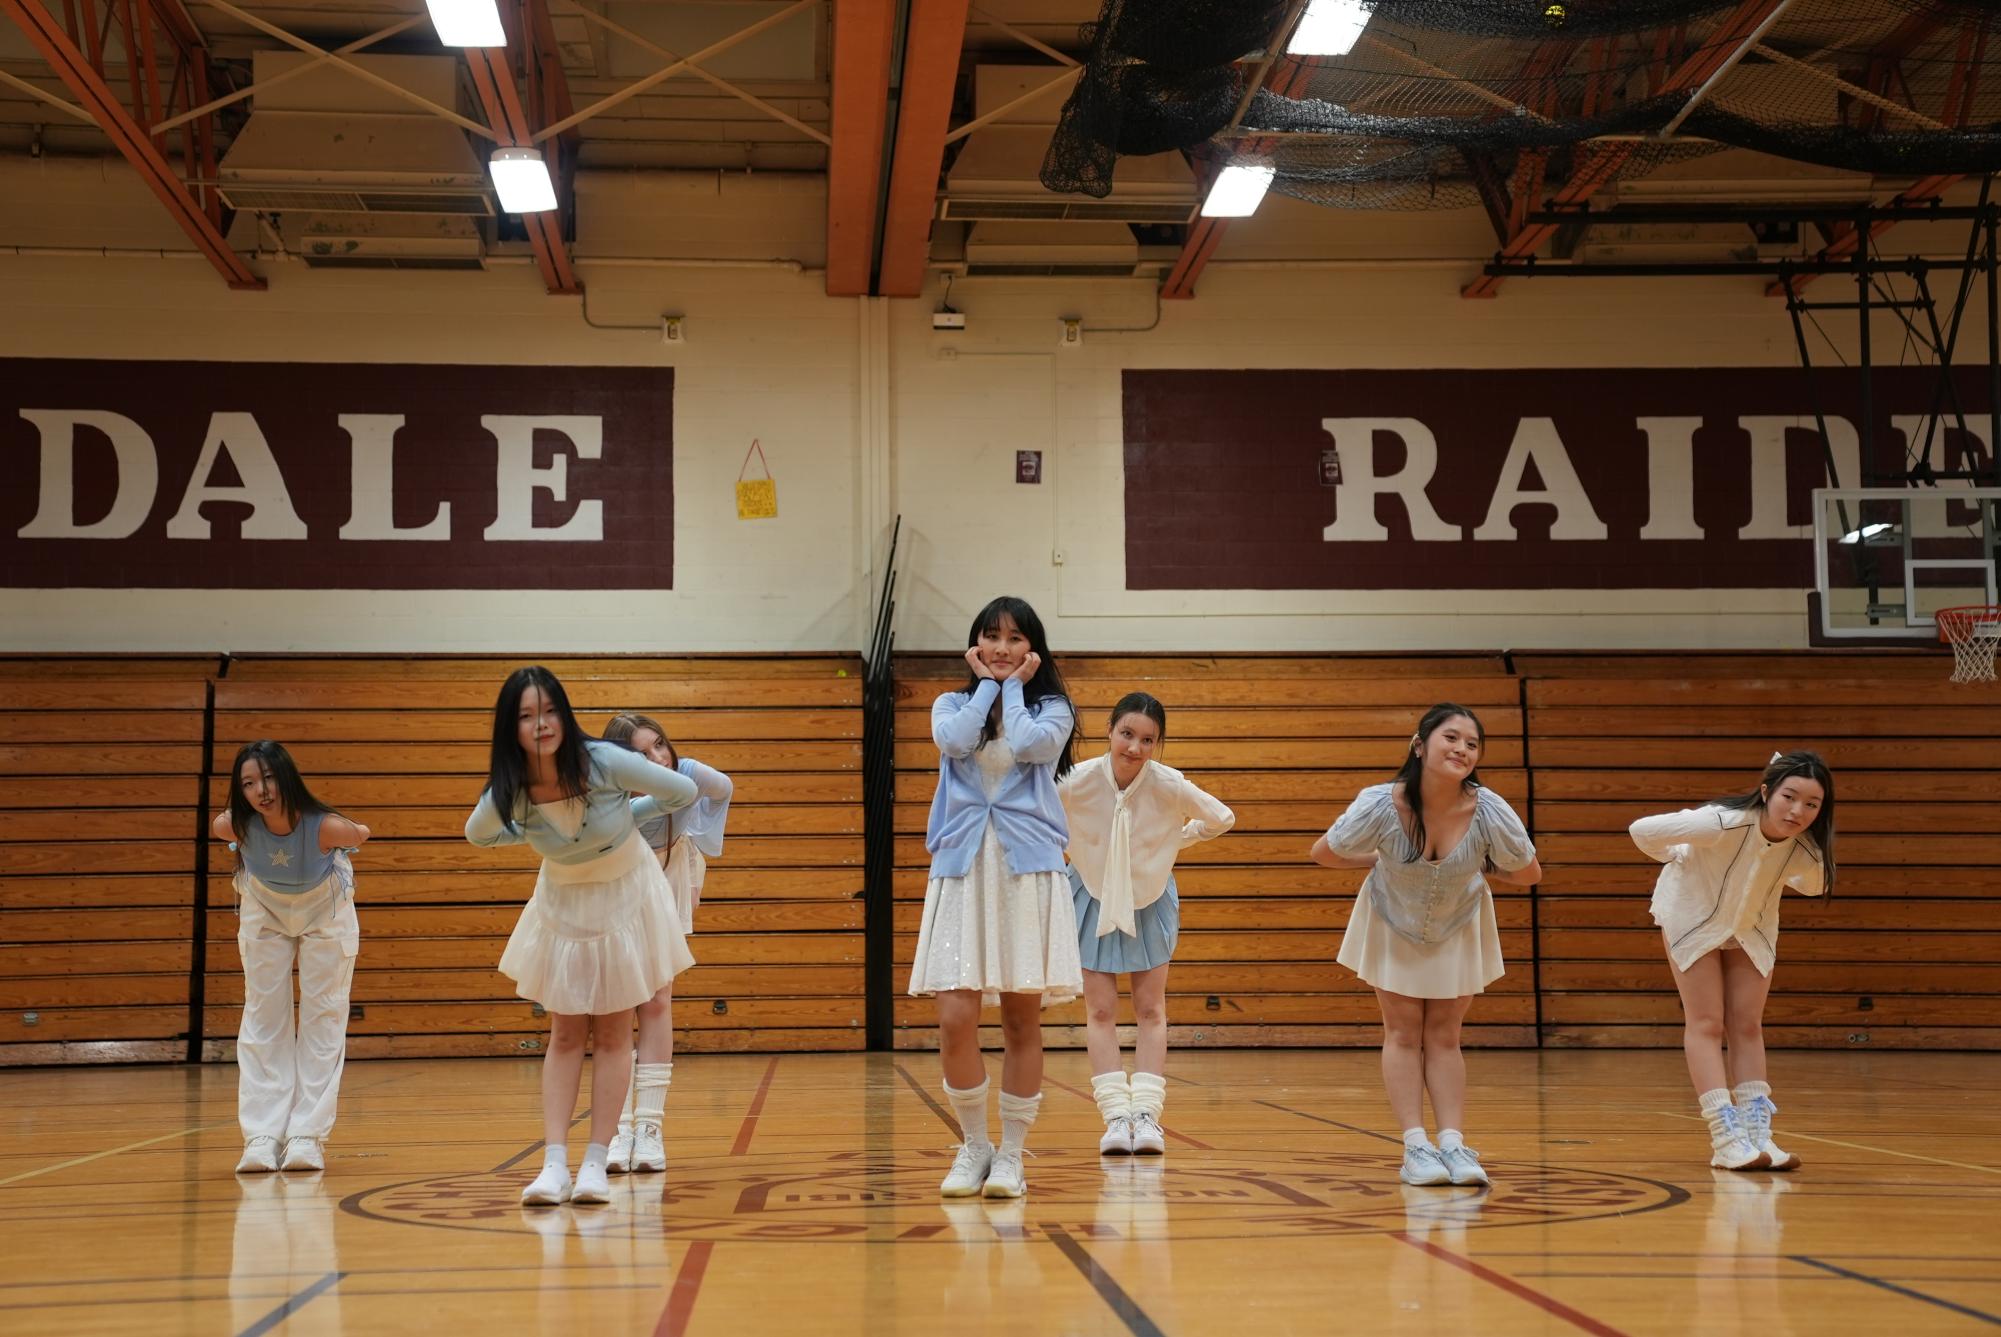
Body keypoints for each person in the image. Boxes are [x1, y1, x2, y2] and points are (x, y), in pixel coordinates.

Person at [465, 667, 698, 1205]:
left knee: (616, 1030)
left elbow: (682, 789)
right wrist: (536, 835)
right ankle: (553, 1165)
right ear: (511, 727)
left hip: (624, 892)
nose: (540, 724)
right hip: (564, 898)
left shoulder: (604, 762)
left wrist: (626, 814)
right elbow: (478, 833)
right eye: (525, 716)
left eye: (548, 711)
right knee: (566, 1032)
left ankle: (596, 1160)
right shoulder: (514, 783)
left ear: (564, 715)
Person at [1312, 704, 1540, 1188]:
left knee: (1444, 1035)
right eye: (1451, 738)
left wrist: (1477, 866)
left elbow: (1529, 873)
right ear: (1420, 745)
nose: (1462, 749)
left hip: (1460, 922)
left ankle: (1454, 1144)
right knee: (1401, 1032)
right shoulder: (1380, 803)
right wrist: (1382, 859)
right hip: (1391, 919)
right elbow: (1325, 853)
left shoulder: (1489, 809)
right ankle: (1416, 1146)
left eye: (1472, 744)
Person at [908, 596, 1080, 1199]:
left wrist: (1012, 691)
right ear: (975, 645)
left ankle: (1011, 1154)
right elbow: (955, 741)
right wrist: (985, 687)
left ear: (1032, 648)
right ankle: (974, 1146)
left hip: (1025, 872)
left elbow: (1034, 747)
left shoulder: (1052, 708)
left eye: (1013, 639)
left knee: (1018, 1018)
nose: (1002, 648)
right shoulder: (954, 703)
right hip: (962, 868)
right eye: (991, 637)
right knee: (955, 1018)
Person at [1631, 751, 1834, 1171]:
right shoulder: (1719, 821)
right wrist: (1681, 854)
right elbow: (1642, 830)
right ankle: (1725, 1137)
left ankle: (1758, 1134)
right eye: (1789, 797)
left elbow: (1814, 885)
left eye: (1812, 804)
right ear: (1765, 792)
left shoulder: (1804, 847)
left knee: (1747, 1024)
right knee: (1706, 1023)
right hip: (1694, 915)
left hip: (1751, 926)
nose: (1798, 811)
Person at [1059, 691, 1233, 1155]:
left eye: (1147, 739)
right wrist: (1077, 850)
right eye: (1127, 734)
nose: (1135, 747)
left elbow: (1222, 817)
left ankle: (1147, 1117)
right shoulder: (1076, 779)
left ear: (1157, 744)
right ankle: (1115, 1115)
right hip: (1091, 893)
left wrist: (1176, 842)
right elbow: (1041, 816)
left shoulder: (1168, 783)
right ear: (1110, 732)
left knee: (1150, 1008)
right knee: (1099, 1011)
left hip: (1150, 897)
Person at [211, 740, 371, 1175]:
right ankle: (261, 1135)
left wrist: (344, 842)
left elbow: (362, 834)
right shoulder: (235, 827)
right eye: (247, 783)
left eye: (267, 777)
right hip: (264, 908)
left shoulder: (324, 826)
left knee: (324, 1014)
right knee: (264, 1014)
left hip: (326, 909)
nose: (260, 790)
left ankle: (306, 1134)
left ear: (287, 777)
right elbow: (219, 824)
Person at [600, 710, 733, 1174]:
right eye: (640, 753)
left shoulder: (685, 775)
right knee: (614, 1008)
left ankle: (650, 1128)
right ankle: (616, 1130)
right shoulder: (606, 795)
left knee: (658, 1000)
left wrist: (697, 828)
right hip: (613, 887)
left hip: (667, 881)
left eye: (659, 744)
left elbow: (724, 788)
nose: (656, 757)